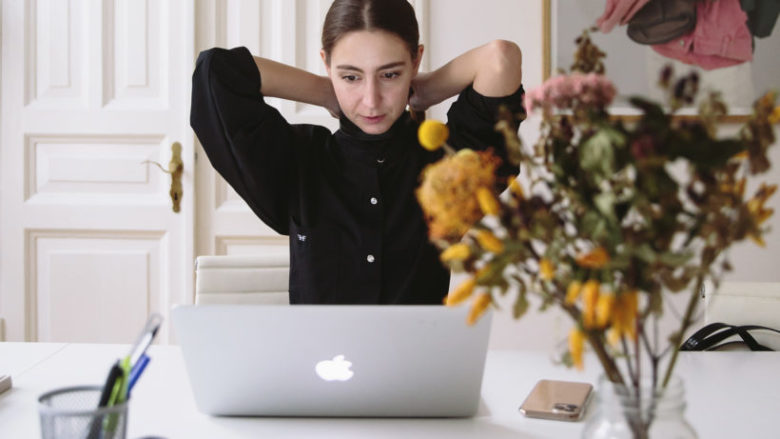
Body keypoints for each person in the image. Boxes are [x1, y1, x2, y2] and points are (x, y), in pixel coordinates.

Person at [190, 0, 525, 305]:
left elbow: (500, 57)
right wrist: (325, 91)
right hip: (313, 371)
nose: (371, 100)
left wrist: (426, 90)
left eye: (390, 74)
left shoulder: (447, 167)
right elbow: (215, 71)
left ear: (415, 60)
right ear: (326, 64)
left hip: (420, 372)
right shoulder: (299, 162)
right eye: (351, 76)